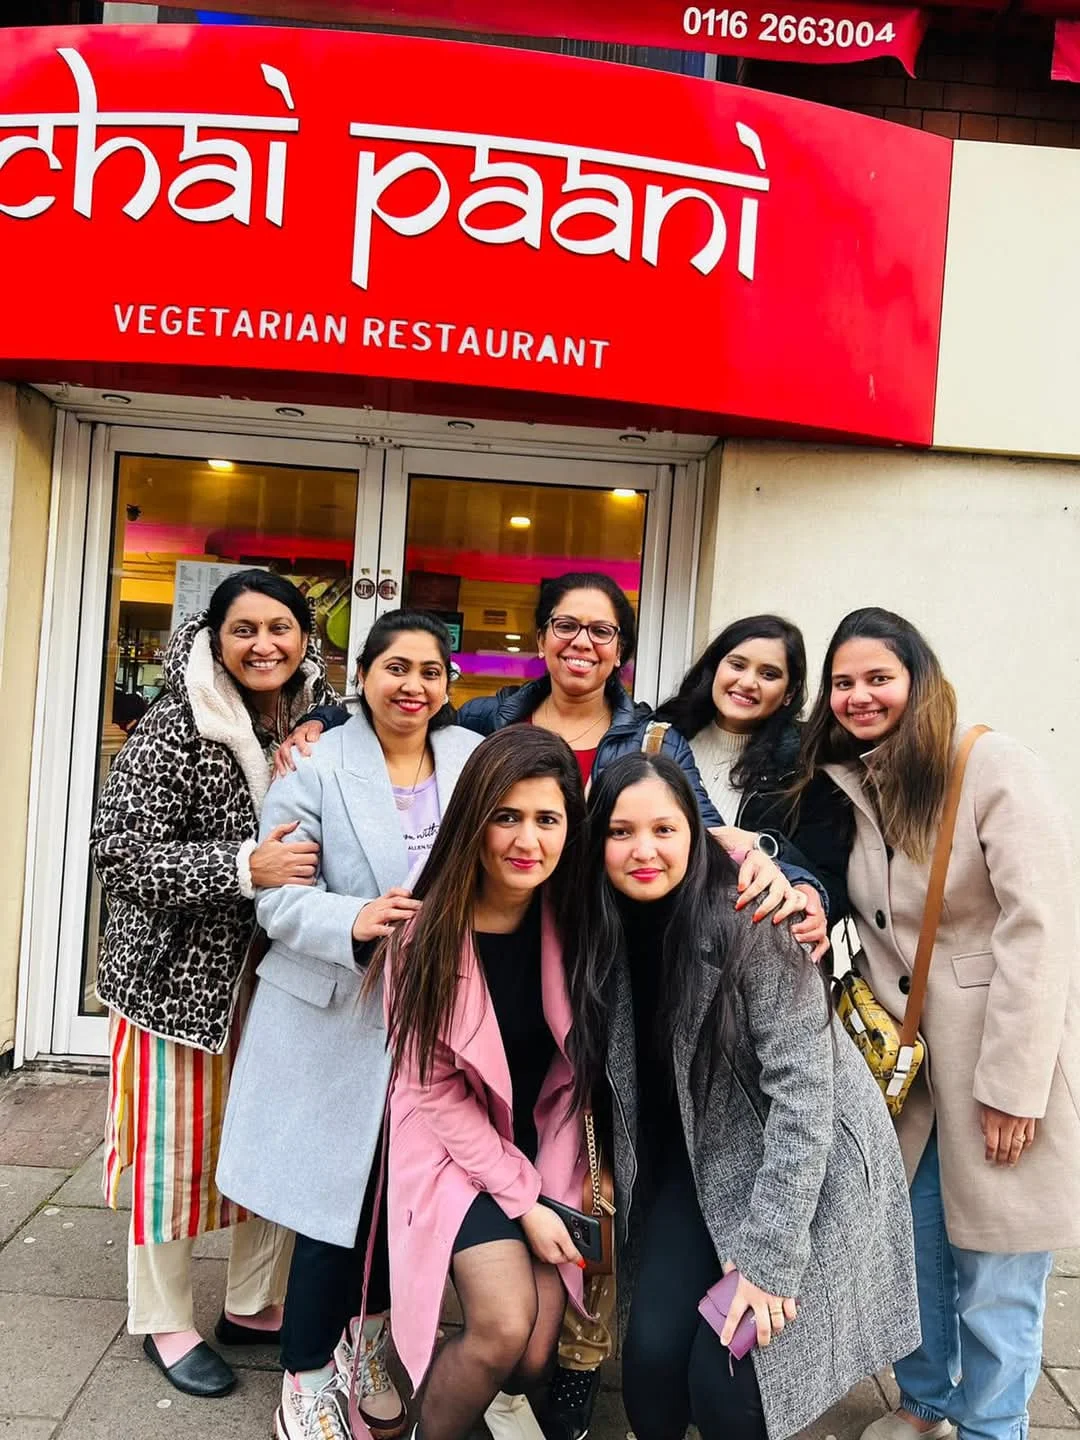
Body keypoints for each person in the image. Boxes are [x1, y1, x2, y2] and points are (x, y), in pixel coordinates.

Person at [565, 751, 921, 1440]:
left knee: (729, 1386)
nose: (644, 851)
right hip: (690, 1159)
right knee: (651, 1368)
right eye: (620, 832)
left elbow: (805, 1098)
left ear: (693, 834)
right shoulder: (591, 923)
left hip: (803, 1164)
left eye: (664, 830)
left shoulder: (751, 915)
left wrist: (769, 1259)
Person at [791, 607, 1080, 1440]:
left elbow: (1041, 929)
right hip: (910, 1074)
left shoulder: (991, 764)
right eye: (842, 682)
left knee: (996, 1276)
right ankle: (926, 1405)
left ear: (919, 680)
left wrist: (1016, 1087)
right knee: (911, 1254)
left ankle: (993, 1426)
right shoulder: (855, 781)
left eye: (878, 677)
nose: (859, 695)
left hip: (995, 1061)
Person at [216, 611, 483, 1440]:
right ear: (362, 675)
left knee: (402, 1200)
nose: (414, 686)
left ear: (449, 684)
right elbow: (278, 899)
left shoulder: (473, 758)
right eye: (395, 667)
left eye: (431, 671)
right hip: (339, 1014)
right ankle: (303, 1377)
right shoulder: (318, 765)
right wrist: (355, 919)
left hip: (437, 1021)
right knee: (336, 1206)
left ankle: (362, 1345)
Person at [93, 570, 331, 1397]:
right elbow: (119, 853)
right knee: (173, 1148)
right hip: (174, 987)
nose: (263, 644)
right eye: (243, 630)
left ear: (305, 637)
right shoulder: (177, 723)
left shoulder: (316, 718)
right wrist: (242, 867)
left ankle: (254, 1303)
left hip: (277, 980)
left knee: (272, 1142)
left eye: (279, 627)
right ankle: (162, 1318)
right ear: (215, 639)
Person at [366, 726, 590, 1440]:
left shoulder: (577, 921)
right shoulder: (424, 934)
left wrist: (769, 864)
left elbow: (673, 841)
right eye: (506, 817)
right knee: (501, 1326)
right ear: (473, 822)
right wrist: (524, 1202)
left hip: (544, 1142)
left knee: (534, 1355)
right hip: (455, 1146)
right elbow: (433, 1092)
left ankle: (479, 1392)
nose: (527, 840)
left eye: (547, 819)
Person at [654, 613, 850, 940]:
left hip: (744, 945)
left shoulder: (807, 767)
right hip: (654, 934)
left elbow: (830, 881)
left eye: (769, 674)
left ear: (789, 693)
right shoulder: (659, 741)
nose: (747, 682)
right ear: (715, 668)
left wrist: (763, 847)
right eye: (737, 664)